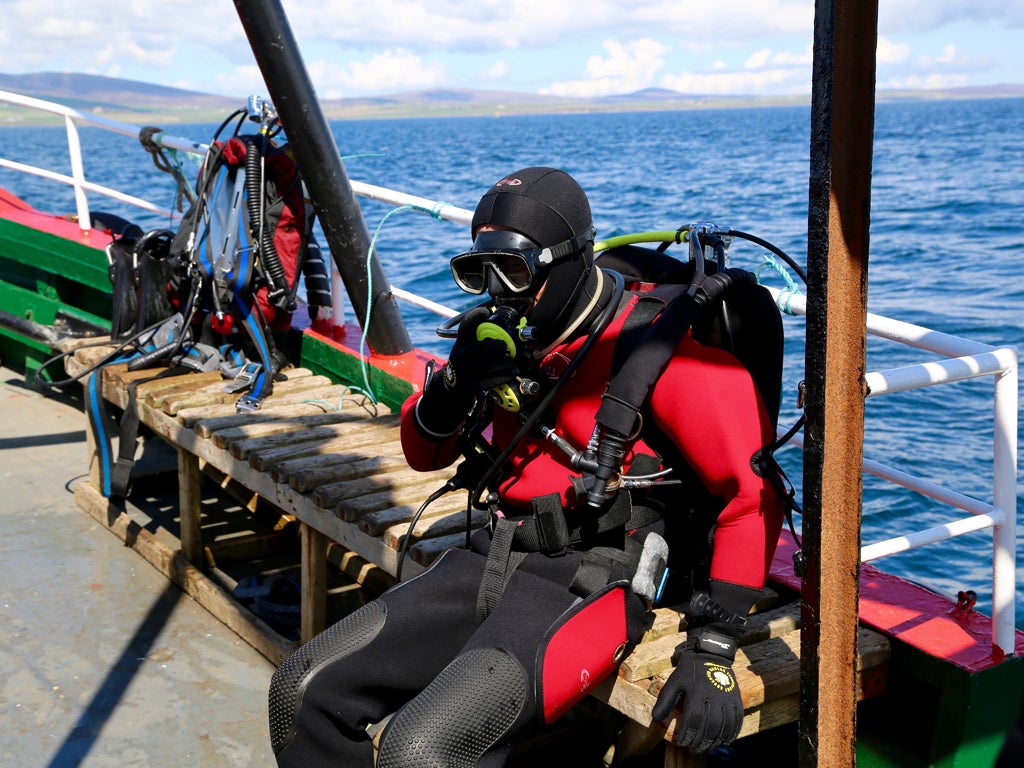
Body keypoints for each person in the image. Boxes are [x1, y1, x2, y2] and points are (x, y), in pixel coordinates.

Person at [267, 167, 785, 766]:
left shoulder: (657, 353)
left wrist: (714, 646)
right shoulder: (505, 342)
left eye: (513, 272)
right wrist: (458, 380)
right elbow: (422, 452)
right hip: (495, 551)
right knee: (301, 691)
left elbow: (753, 497)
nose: (497, 292)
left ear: (569, 261)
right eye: (478, 273)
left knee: (421, 750)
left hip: (596, 576)